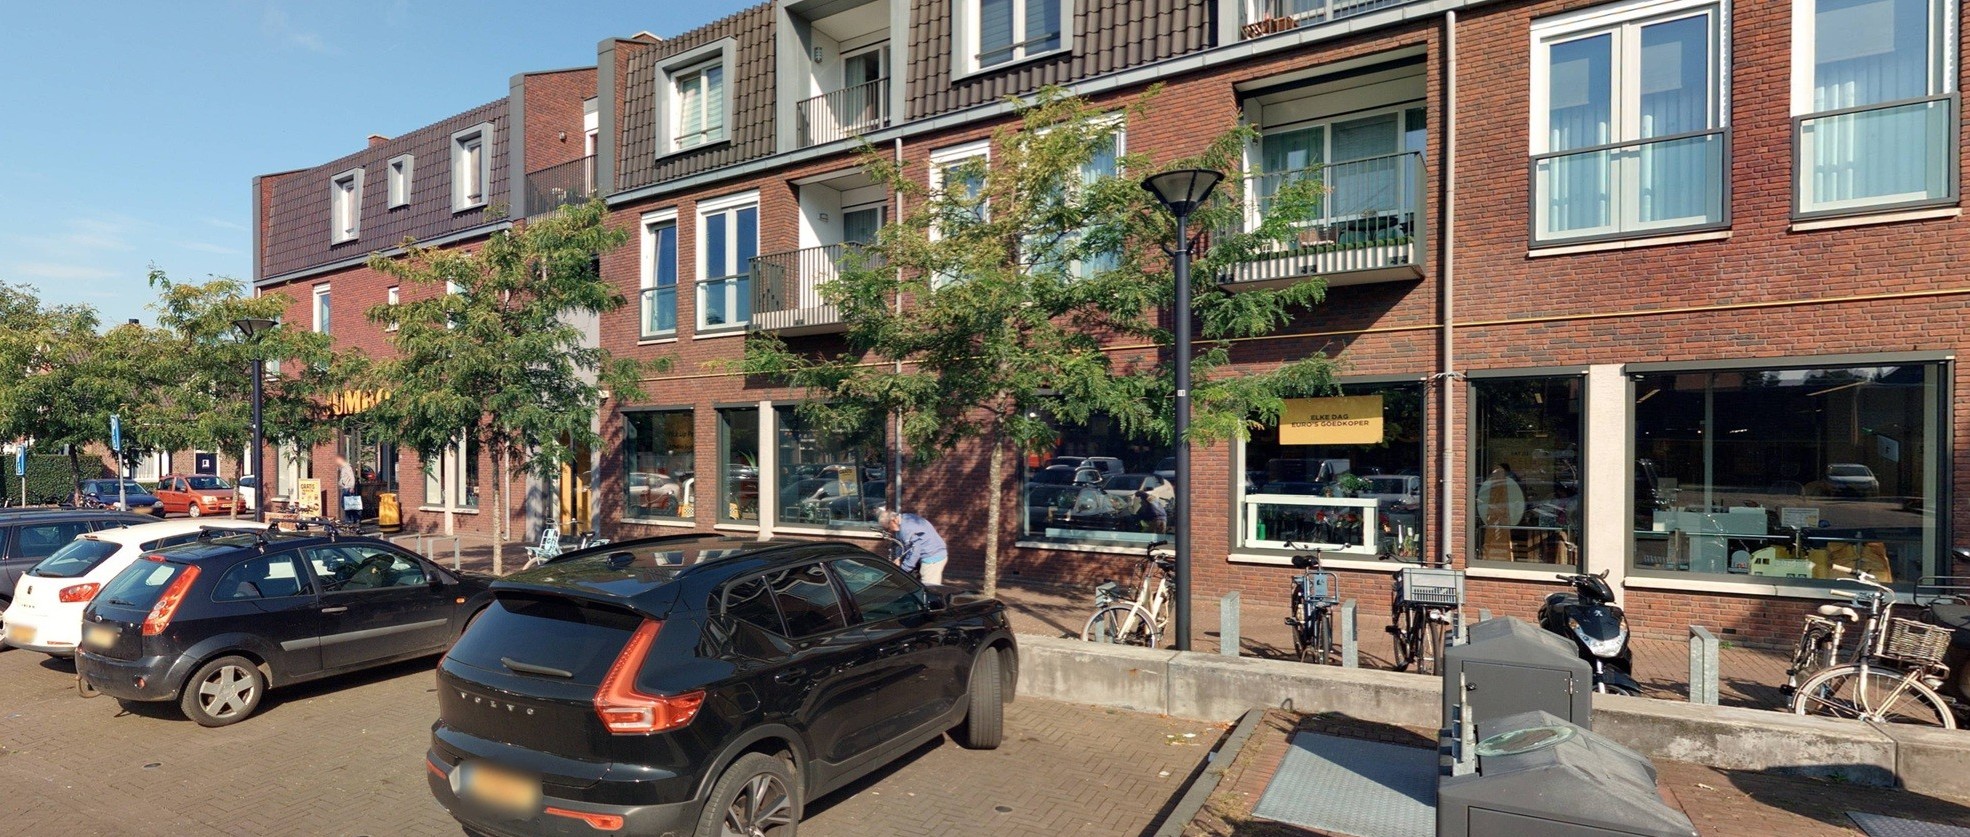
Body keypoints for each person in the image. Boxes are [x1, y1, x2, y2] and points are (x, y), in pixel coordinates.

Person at [877, 507, 948, 586]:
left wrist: (903, 570)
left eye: (888, 527)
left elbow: (914, 553)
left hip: (932, 558)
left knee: (929, 587)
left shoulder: (907, 529)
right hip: (933, 553)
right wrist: (899, 558)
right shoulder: (904, 518)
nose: (889, 530)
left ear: (893, 521)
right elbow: (902, 544)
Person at [335, 455, 359, 526]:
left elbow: (352, 477)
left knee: (347, 505)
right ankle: (352, 520)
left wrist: (352, 487)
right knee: (347, 505)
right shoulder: (343, 468)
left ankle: (350, 520)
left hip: (347, 488)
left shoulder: (347, 467)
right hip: (345, 488)